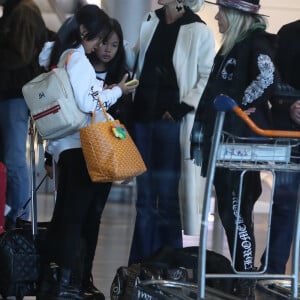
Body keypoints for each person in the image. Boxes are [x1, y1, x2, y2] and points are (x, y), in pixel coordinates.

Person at [37, 5, 138, 300]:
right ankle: (67, 285)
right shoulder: (78, 58)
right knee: (75, 219)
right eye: (97, 39)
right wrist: (118, 90)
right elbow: (87, 102)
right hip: (80, 146)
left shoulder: (57, 53)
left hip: (62, 146)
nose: (99, 47)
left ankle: (53, 281)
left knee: (64, 216)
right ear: (84, 33)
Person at [191, 0, 277, 298]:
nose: (216, 16)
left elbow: (267, 76)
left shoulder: (255, 43)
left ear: (236, 16)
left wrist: (238, 105)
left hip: (242, 145)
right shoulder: (234, 46)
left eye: (222, 12)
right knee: (231, 211)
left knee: (236, 211)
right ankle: (244, 275)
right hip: (228, 141)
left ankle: (244, 276)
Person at [125, 0, 215, 265]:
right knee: (143, 200)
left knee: (166, 198)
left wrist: (180, 109)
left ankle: (166, 264)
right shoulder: (150, 20)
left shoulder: (198, 29)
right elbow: (137, 62)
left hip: (171, 124)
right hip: (143, 118)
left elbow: (206, 77)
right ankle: (139, 264)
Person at [0, 0, 49, 230]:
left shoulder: (23, 11)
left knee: (13, 159)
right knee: (10, 159)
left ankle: (17, 217)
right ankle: (12, 214)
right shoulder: (15, 11)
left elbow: (21, 55)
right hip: (11, 95)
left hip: (14, 95)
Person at [260, 19, 300, 275]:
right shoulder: (288, 33)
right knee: (285, 203)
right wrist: (289, 106)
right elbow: (271, 82)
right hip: (287, 132)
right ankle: (272, 270)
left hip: (287, 128)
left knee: (284, 204)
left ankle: (271, 268)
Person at [88, 18, 134, 131]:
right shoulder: (84, 70)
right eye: (104, 43)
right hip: (81, 136)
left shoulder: (122, 75)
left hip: (111, 139)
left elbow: (126, 116)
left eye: (114, 45)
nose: (108, 50)